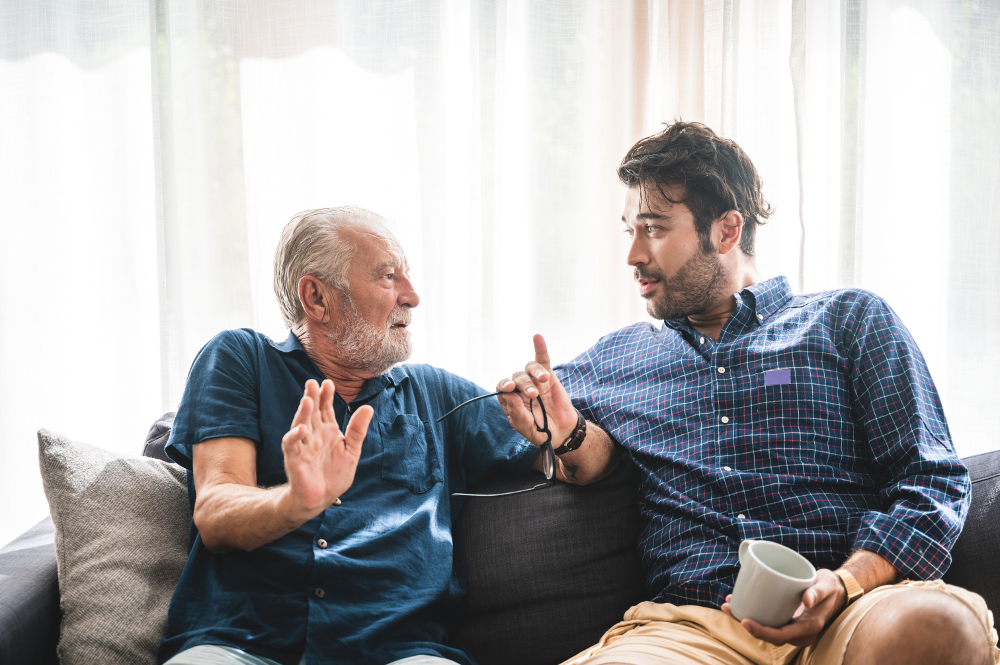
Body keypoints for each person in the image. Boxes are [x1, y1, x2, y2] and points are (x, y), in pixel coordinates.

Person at [497, 121, 999, 665]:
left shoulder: (849, 321)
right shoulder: (619, 359)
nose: (634, 256)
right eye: (630, 232)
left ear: (726, 231)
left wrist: (847, 583)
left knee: (938, 627)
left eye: (655, 229)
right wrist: (558, 431)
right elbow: (534, 435)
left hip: (853, 613)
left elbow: (930, 481)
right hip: (692, 633)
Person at [157, 207, 549, 665]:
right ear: (317, 298)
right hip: (241, 645)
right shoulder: (240, 359)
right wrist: (296, 502)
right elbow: (217, 510)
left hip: (400, 654)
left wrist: (570, 433)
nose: (413, 296)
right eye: (388, 277)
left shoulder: (437, 395)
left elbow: (574, 460)